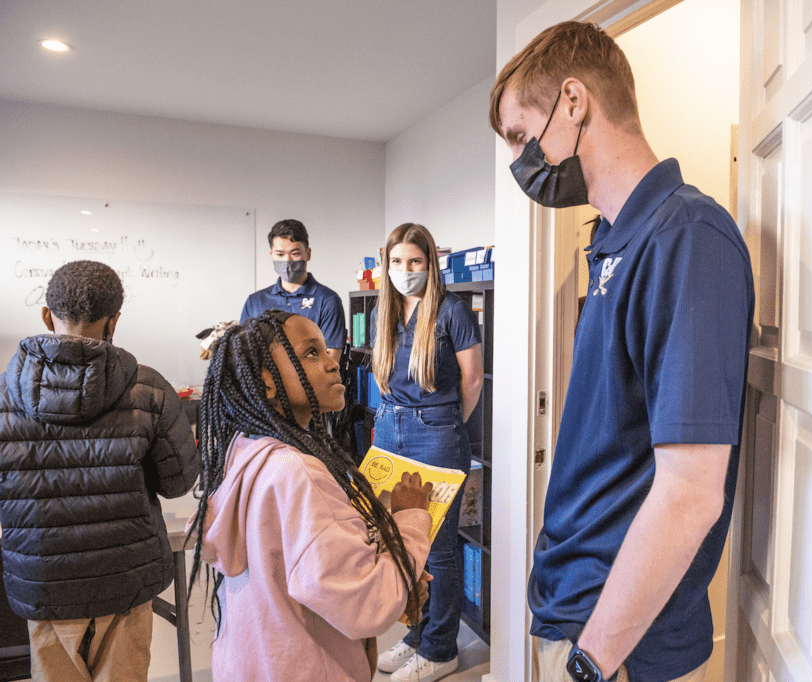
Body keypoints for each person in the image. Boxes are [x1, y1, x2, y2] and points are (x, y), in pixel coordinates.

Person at [490, 21, 755, 682]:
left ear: (574, 102)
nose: (520, 160)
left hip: (618, 648)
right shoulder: (613, 241)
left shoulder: (688, 238)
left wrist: (592, 661)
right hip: (573, 613)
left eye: (521, 135)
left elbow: (691, 493)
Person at [187, 309, 434, 682]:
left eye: (326, 350)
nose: (333, 362)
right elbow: (366, 603)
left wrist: (396, 569)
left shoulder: (245, 451)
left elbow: (314, 569)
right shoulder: (298, 472)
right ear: (267, 383)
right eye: (311, 354)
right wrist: (410, 520)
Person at [0, 260, 200, 682]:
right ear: (115, 320)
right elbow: (179, 482)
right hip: (125, 581)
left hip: (43, 583)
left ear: (45, 315)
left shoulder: (4, 395)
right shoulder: (150, 389)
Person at [370, 223, 484, 682]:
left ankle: (441, 649)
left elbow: (472, 381)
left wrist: (445, 423)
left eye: (415, 261)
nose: (405, 271)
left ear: (430, 263)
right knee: (402, 542)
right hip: (389, 426)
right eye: (397, 262)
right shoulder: (388, 311)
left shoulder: (452, 310)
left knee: (438, 547)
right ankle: (417, 632)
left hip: (435, 431)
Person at [240, 219, 347, 362]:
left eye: (295, 253)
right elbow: (244, 353)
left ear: (308, 254)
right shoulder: (255, 302)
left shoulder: (327, 300)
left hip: (311, 384)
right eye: (280, 254)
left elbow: (331, 361)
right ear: (271, 254)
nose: (287, 261)